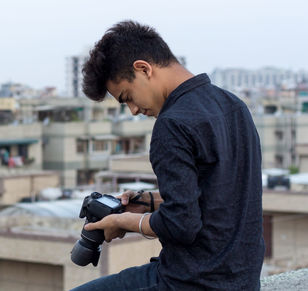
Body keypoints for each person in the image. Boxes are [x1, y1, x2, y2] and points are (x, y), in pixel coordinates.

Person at [71, 21, 264, 290]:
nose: (133, 110)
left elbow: (181, 225)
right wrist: (147, 201)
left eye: (127, 96)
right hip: (241, 280)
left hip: (190, 282)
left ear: (143, 69)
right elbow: (220, 197)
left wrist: (122, 221)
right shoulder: (233, 105)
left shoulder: (172, 124)